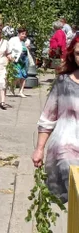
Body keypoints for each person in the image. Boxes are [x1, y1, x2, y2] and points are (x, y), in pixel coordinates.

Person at [33, 35, 79, 200]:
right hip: (67, 151)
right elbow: (48, 118)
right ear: (73, 55)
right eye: (78, 53)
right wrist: (39, 149)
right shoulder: (63, 83)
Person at [7, 27, 32, 98]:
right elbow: (9, 48)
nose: (24, 35)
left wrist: (28, 47)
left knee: (24, 76)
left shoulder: (27, 41)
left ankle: (21, 91)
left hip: (25, 60)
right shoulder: (13, 40)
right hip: (16, 60)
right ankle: (12, 89)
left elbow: (27, 50)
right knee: (16, 75)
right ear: (19, 34)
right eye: (22, 34)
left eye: (25, 34)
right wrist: (10, 57)